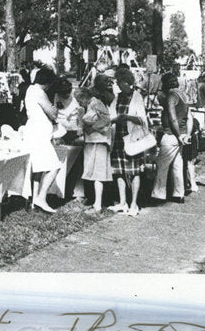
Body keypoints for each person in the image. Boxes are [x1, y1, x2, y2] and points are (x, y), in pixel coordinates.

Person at [110, 65, 150, 217]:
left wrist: (126, 117)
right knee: (119, 170)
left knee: (134, 172)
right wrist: (114, 120)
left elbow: (142, 119)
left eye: (120, 82)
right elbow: (111, 116)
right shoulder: (117, 98)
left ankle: (134, 203)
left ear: (127, 82)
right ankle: (122, 202)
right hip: (118, 138)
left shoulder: (137, 97)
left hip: (132, 139)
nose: (118, 85)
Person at [22, 65, 60, 213]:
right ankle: (41, 198)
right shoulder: (39, 92)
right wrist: (55, 104)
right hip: (39, 135)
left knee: (39, 168)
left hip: (36, 133)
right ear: (47, 83)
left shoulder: (31, 90)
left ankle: (34, 201)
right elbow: (53, 114)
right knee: (54, 166)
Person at [154, 73, 192, 202]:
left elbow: (172, 117)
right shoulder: (183, 95)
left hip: (171, 134)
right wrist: (185, 134)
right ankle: (178, 193)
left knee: (162, 165)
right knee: (177, 164)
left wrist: (177, 134)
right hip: (182, 133)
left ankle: (159, 194)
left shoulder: (171, 96)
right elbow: (188, 117)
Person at [80, 76, 114, 212]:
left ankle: (97, 204)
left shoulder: (95, 103)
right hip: (100, 139)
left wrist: (89, 127)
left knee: (97, 173)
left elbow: (100, 121)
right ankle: (96, 201)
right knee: (97, 172)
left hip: (96, 139)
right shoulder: (103, 102)